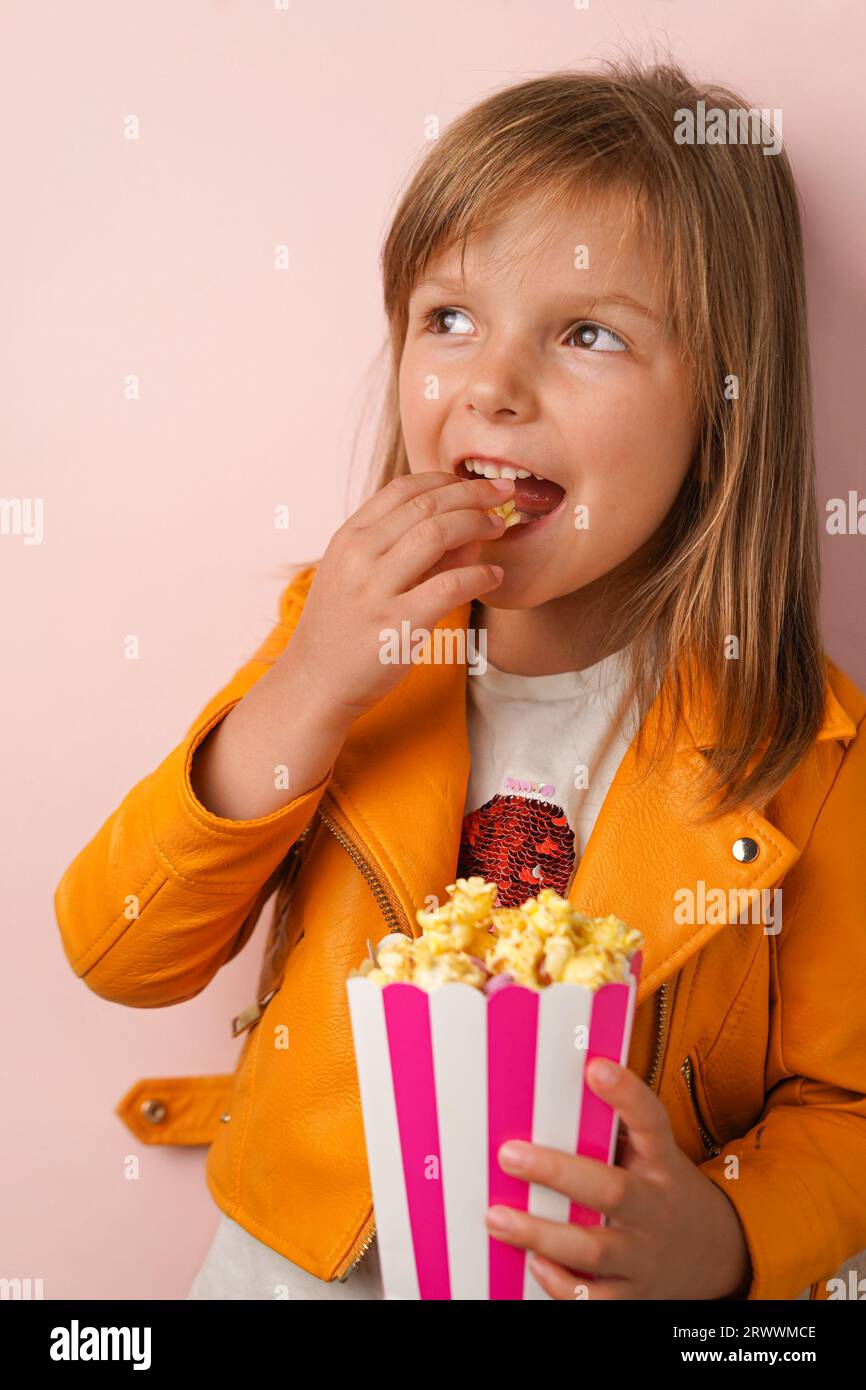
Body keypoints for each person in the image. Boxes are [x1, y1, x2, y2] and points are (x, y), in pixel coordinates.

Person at [55, 59, 866, 1301]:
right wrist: (311, 689)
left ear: (721, 407)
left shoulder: (805, 751)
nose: (490, 383)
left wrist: (724, 1238)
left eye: (586, 333)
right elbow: (121, 952)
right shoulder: (328, 645)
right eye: (446, 319)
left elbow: (845, 1109)